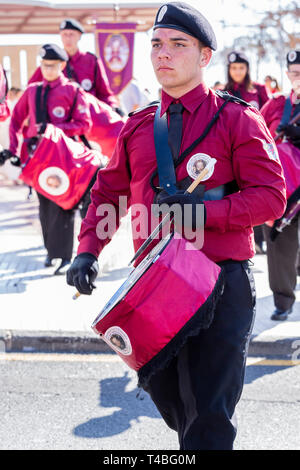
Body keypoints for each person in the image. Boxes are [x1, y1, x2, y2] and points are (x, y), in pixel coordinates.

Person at [66, 2, 286, 450]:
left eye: (178, 45)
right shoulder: (139, 126)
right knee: (173, 403)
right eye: (157, 45)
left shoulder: (237, 119)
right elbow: (109, 193)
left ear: (205, 57)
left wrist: (202, 212)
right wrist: (87, 250)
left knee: (209, 416)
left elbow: (271, 197)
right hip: (156, 284)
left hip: (221, 281)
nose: (164, 54)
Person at [2, 44, 92, 275]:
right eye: (43, 65)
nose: (47, 69)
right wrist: (12, 149)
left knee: (64, 204)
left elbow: (84, 124)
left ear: (62, 66)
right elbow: (15, 121)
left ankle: (64, 257)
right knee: (44, 206)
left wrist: (54, 128)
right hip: (38, 158)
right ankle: (51, 253)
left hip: (65, 158)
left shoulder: (73, 91)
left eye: (51, 66)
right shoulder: (32, 91)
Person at [260, 50, 300, 321]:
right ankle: (283, 300)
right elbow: (253, 132)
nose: (297, 78)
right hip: (282, 185)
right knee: (279, 242)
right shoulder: (276, 104)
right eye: (294, 73)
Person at [224, 51, 270, 253]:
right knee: (237, 194)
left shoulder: (258, 90)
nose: (237, 72)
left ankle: (259, 241)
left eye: (241, 68)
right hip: (232, 151)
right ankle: (240, 237)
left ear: (247, 69)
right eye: (234, 68)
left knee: (258, 192)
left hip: (257, 149)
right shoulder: (223, 91)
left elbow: (269, 117)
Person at [28, 18, 118, 110]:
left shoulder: (91, 60)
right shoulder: (52, 60)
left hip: (89, 114)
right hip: (60, 115)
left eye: (71, 34)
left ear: (79, 36)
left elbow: (105, 93)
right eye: (64, 34)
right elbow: (31, 89)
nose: (68, 38)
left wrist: (114, 108)